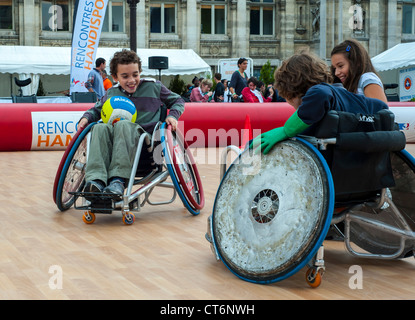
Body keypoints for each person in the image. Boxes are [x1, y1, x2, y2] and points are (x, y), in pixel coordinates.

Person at [78, 49, 184, 198]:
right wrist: (86, 118)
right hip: (115, 147)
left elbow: (178, 100)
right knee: (100, 127)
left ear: (140, 72)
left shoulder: (154, 87)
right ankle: (95, 180)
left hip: (146, 148)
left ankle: (117, 181)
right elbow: (95, 110)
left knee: (123, 124)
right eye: (125, 76)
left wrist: (173, 116)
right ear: (115, 77)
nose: (131, 80)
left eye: (135, 74)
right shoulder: (112, 93)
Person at [251, 52, 389, 154]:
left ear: (293, 91)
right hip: (367, 178)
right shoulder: (346, 97)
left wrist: (287, 130)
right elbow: (382, 108)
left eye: (288, 99)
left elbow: (320, 94)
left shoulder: (320, 92)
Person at [330, 39, 388, 103]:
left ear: (356, 62)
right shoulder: (352, 84)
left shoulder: (367, 79)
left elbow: (381, 110)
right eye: (334, 68)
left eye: (340, 66)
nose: (336, 73)